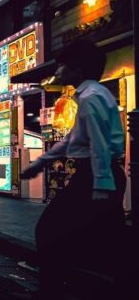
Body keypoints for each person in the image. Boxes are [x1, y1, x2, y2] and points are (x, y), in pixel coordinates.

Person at [21, 39, 126, 296]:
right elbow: (72, 139)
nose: (57, 71)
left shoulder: (90, 98)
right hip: (100, 174)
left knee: (49, 230)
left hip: (96, 175)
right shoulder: (92, 95)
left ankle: (52, 289)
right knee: (113, 241)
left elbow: (99, 143)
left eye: (62, 65)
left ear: (77, 69)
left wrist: (101, 183)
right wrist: (40, 163)